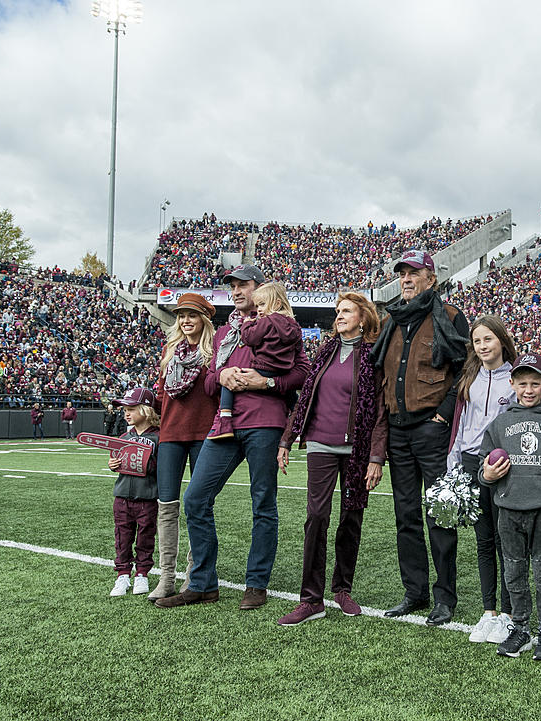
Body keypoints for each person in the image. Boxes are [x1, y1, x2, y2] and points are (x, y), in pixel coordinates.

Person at [156, 265, 310, 611]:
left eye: (244, 285)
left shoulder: (284, 325)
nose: (238, 291)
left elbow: (303, 372)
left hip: (265, 422)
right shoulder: (225, 332)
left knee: (263, 503)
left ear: (261, 289)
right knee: (195, 498)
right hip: (224, 424)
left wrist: (267, 382)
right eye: (233, 286)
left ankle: (256, 583)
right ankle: (202, 583)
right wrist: (224, 374)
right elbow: (209, 383)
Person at [275, 292, 387, 626]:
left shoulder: (373, 356)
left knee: (351, 520)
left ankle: (342, 589)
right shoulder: (323, 352)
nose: (339, 316)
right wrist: (286, 439)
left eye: (347, 311)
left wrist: (376, 457)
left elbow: (380, 412)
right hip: (320, 445)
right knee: (316, 517)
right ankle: (311, 599)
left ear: (362, 318)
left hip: (357, 450)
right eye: (338, 311)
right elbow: (305, 399)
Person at [372, 249, 469, 626]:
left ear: (431, 277)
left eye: (414, 273)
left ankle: (445, 597)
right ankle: (415, 592)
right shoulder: (392, 321)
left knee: (440, 513)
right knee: (405, 515)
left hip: (432, 428)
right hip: (399, 430)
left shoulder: (450, 316)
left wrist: (444, 413)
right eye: (402, 274)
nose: (406, 279)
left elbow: (466, 368)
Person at [479, 353, 541, 660]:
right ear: (512, 384)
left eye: (535, 383)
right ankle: (520, 628)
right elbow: (485, 467)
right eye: (522, 383)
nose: (529, 389)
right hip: (509, 511)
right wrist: (487, 474)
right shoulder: (501, 422)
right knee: (514, 573)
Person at [447, 315, 517, 644]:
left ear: (501, 340)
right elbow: (463, 422)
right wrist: (455, 458)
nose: (483, 346)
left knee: (507, 542)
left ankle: (509, 612)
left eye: (488, 339)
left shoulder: (516, 378)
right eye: (477, 341)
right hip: (474, 463)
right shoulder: (471, 376)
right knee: (484, 541)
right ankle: (489, 611)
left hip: (504, 465)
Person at [149, 293, 218, 602]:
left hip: (203, 435)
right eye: (181, 315)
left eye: (192, 314)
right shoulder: (170, 353)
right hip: (170, 435)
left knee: (198, 505)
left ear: (204, 318)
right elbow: (162, 397)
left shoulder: (215, 352)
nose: (186, 320)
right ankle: (165, 576)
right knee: (166, 506)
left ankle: (195, 574)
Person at [210, 282, 301, 440]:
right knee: (291, 394)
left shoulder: (265, 321)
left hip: (264, 373)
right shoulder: (292, 324)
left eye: (262, 304)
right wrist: (220, 375)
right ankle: (299, 418)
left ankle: (225, 418)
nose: (259, 309)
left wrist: (247, 326)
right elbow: (209, 384)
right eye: (233, 287)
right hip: (282, 368)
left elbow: (250, 338)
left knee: (234, 377)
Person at [107, 387, 160, 597]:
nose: (126, 413)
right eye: (124, 410)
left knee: (146, 536)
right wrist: (113, 464)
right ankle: (122, 574)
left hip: (147, 497)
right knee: (122, 536)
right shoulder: (122, 436)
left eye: (131, 409)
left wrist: (146, 464)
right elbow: (116, 461)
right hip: (122, 496)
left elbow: (162, 466)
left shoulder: (158, 437)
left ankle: (142, 574)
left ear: (146, 410)